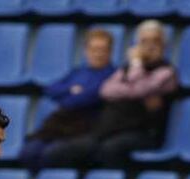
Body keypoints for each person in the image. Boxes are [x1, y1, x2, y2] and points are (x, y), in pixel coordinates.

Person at [43, 20, 178, 168]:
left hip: (143, 133)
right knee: (59, 152)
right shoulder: (125, 68)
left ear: (164, 45)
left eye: (156, 41)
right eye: (144, 41)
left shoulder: (166, 72)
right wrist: (133, 89)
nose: (150, 46)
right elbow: (106, 89)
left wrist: (136, 64)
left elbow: (139, 89)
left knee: (109, 150)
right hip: (110, 130)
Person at [19, 29, 115, 172]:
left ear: (110, 52)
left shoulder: (113, 75)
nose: (98, 54)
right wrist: (70, 90)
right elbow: (51, 89)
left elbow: (82, 99)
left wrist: (71, 93)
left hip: (87, 129)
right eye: (94, 49)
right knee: (28, 152)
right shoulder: (78, 72)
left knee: (53, 154)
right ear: (86, 51)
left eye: (103, 50)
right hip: (60, 126)